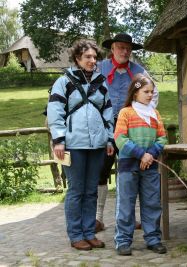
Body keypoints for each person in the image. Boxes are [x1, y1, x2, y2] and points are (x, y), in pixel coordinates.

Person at [47, 39, 114, 250]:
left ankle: (89, 232)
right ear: (78, 58)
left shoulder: (102, 83)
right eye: (88, 57)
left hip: (96, 145)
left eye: (95, 57)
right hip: (73, 145)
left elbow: (108, 113)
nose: (92, 60)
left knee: (91, 190)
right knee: (76, 190)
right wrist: (58, 140)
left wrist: (109, 138)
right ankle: (76, 235)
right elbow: (55, 112)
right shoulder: (63, 82)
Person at [95, 33, 159, 232]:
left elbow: (153, 93)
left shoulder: (139, 72)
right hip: (105, 126)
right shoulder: (99, 68)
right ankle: (97, 218)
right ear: (112, 49)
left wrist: (143, 114)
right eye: (120, 47)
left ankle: (131, 218)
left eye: (127, 48)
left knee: (133, 170)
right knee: (101, 171)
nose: (124, 51)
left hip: (132, 128)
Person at [113, 73, 167, 256]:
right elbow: (120, 138)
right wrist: (140, 154)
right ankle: (123, 241)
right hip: (129, 166)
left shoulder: (155, 114)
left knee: (152, 202)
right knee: (126, 204)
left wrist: (150, 154)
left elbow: (162, 137)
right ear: (135, 93)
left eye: (152, 92)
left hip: (149, 166)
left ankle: (153, 239)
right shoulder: (126, 112)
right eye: (146, 91)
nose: (150, 95)